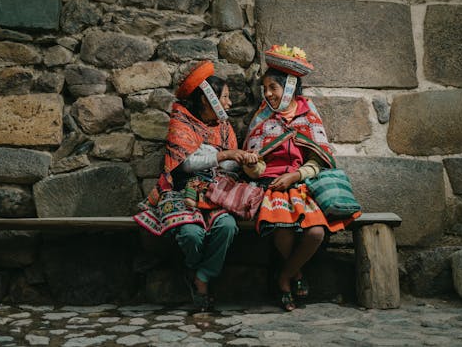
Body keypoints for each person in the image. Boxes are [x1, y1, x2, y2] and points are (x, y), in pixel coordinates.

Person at [243, 45, 360, 311]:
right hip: (270, 186)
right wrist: (253, 166)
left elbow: (320, 157)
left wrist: (295, 174)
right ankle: (291, 279)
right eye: (266, 89)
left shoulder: (308, 114)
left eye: (273, 87)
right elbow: (256, 160)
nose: (269, 94)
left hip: (302, 184)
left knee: (316, 233)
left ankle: (286, 273)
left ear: (289, 86)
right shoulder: (263, 116)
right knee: (283, 229)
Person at [134, 60, 256, 311]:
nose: (229, 104)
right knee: (191, 234)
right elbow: (185, 163)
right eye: (225, 97)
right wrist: (223, 156)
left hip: (216, 192)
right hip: (181, 191)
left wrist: (244, 163)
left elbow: (229, 166)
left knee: (227, 226)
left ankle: (201, 276)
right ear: (206, 99)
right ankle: (195, 269)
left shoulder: (224, 127)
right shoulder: (181, 121)